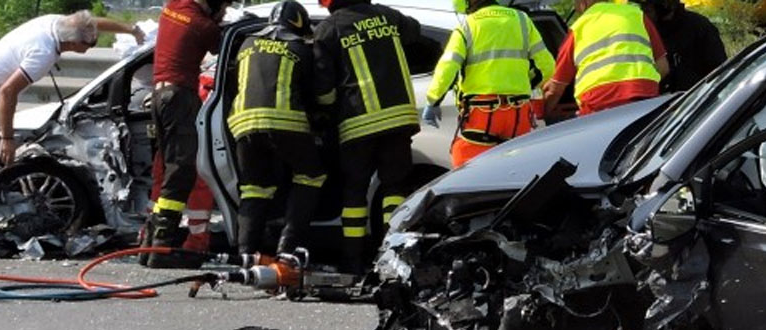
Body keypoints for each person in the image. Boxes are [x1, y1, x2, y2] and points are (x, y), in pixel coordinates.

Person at [0, 11, 143, 259]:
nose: (90, 48)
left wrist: (131, 29)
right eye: (89, 44)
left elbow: (90, 24)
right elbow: (7, 92)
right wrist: (7, 139)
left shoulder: (58, 23)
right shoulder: (43, 53)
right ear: (73, 43)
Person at [313, 0, 436, 273]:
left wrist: (323, 113)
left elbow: (323, 87)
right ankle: (391, 255)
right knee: (395, 188)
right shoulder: (387, 16)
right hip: (399, 119)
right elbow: (415, 33)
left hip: (358, 123)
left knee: (355, 192)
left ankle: (353, 262)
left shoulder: (328, 29)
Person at [228, 1, 329, 263]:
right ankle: (288, 247)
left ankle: (246, 254)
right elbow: (319, 95)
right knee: (311, 175)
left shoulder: (246, 44)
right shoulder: (300, 47)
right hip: (287, 122)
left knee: (254, 188)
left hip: (243, 124)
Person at [144, 0, 230, 266]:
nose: (224, 11)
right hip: (180, 96)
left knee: (168, 168)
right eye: (223, 6)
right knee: (181, 171)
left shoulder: (174, 6)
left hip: (159, 95)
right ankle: (161, 248)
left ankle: (149, 247)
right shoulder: (203, 26)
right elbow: (222, 48)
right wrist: (222, 25)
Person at [421, 0, 556, 168]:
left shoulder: (468, 26)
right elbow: (548, 65)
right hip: (518, 114)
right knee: (517, 169)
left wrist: (433, 100)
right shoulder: (522, 20)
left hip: (482, 115)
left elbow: (447, 67)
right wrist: (525, 84)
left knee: (468, 172)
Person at [538, 0, 669, 116]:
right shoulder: (637, 15)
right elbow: (663, 67)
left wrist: (544, 114)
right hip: (644, 97)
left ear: (583, 2)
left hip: (598, 104)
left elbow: (555, 89)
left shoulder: (578, 28)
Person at [640, 0, 726, 93]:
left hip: (695, 99)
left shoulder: (699, 27)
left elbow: (719, 71)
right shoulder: (645, 30)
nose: (644, 12)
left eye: (648, 8)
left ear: (665, 5)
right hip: (657, 101)